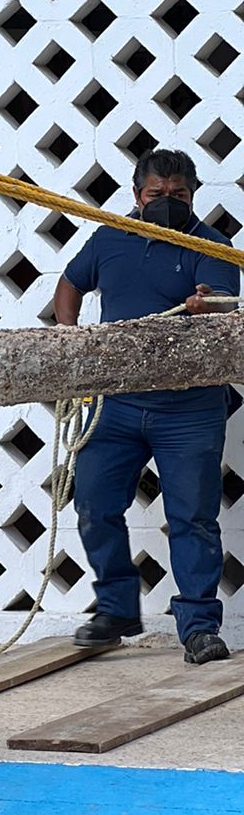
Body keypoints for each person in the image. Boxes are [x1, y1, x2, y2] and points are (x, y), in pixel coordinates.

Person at [54, 149, 240, 664]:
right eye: (156, 195)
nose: (166, 203)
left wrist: (207, 303)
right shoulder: (109, 236)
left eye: (178, 196)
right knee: (92, 504)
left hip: (190, 410)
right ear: (136, 195)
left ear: (193, 195)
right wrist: (68, 338)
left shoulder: (213, 244)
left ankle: (199, 627)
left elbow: (223, 304)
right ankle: (116, 611)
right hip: (114, 404)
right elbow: (71, 281)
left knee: (193, 518)